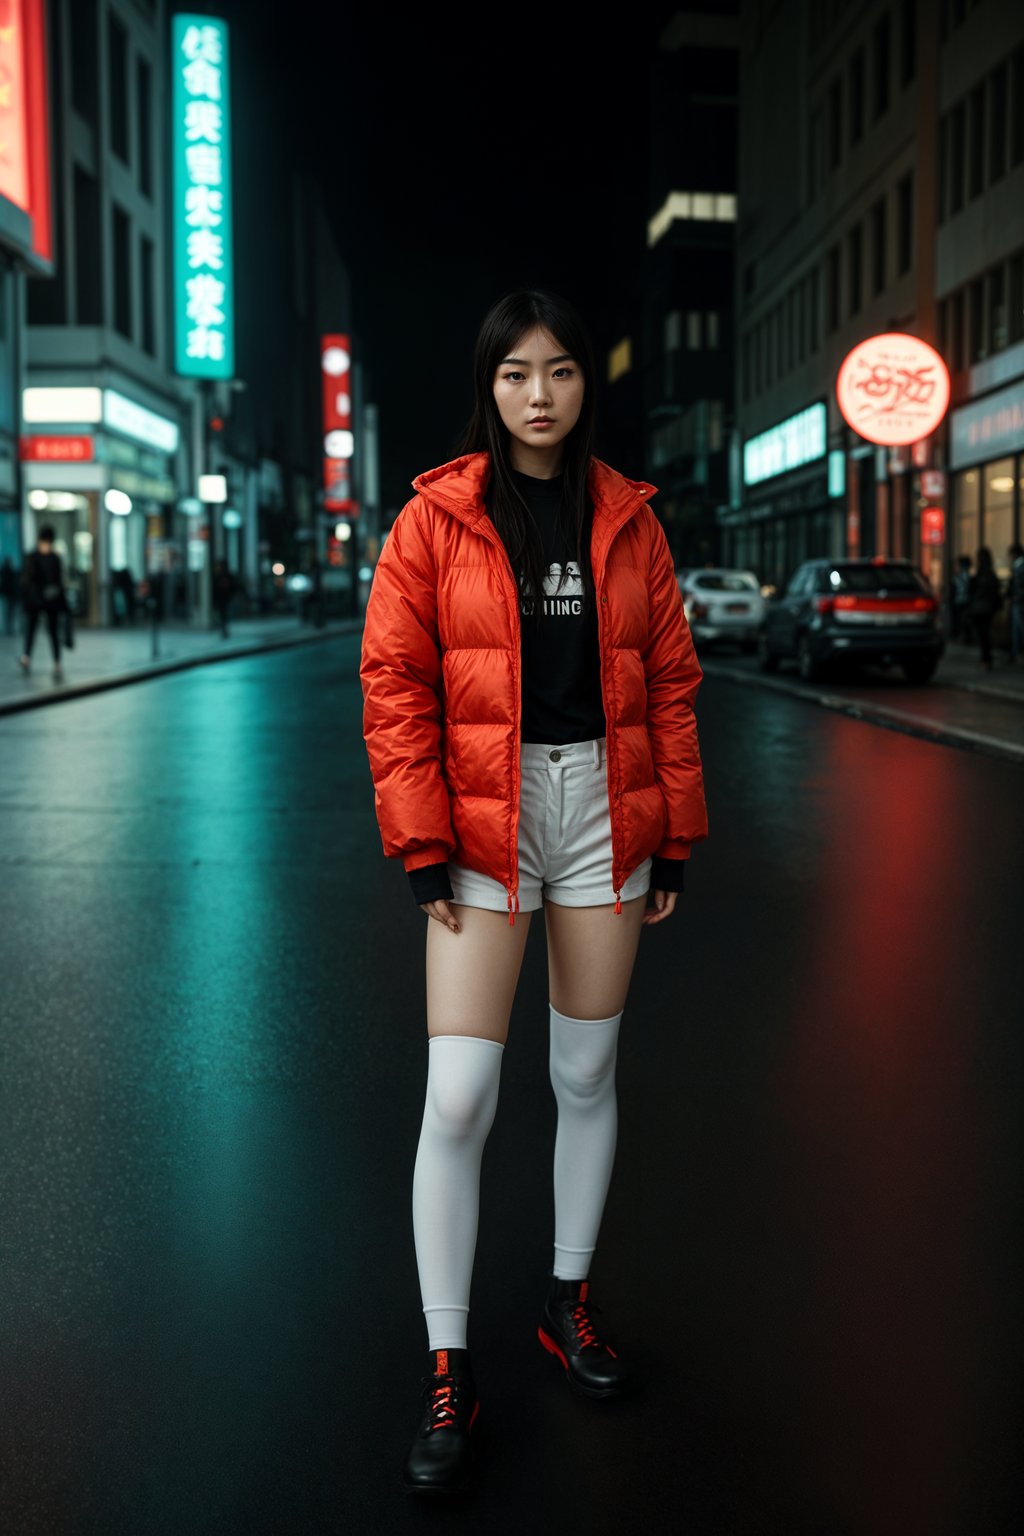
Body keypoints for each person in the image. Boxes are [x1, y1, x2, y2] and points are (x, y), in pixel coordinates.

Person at [359, 290, 708, 1495]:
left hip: (604, 808)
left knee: (584, 1073)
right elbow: (394, 681)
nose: (541, 393)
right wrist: (419, 842)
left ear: (581, 385)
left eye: (558, 371)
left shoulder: (629, 518)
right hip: (479, 814)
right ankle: (448, 1360)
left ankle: (567, 1303)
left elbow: (669, 678)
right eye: (516, 374)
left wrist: (672, 833)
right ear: (489, 386)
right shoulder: (434, 519)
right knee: (458, 1095)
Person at [18, 524, 68, 682]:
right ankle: (26, 657)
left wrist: (61, 600)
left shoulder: (55, 558)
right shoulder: (32, 558)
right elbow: (26, 580)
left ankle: (57, 661)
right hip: (35, 600)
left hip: (51, 600)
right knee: (31, 629)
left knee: (53, 631)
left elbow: (60, 581)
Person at [968, 545, 1001, 671]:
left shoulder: (980, 574)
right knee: (985, 634)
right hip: (988, 608)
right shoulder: (990, 574)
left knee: (983, 635)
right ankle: (986, 659)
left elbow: (972, 590)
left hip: (979, 608)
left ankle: (985, 659)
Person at [951, 553, 973, 642]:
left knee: (961, 621)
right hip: (965, 602)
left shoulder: (959, 576)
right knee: (964, 621)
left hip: (960, 602)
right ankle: (964, 637)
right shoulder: (967, 576)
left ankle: (961, 637)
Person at [1008, 543, 1024, 664]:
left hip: (1019, 601)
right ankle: (1016, 653)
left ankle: (1017, 653)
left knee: (1018, 628)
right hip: (1018, 600)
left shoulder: (1019, 566)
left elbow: (1018, 585)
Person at [0, 555, 19, 636]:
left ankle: (7, 628)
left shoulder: (5, 572)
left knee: (7, 613)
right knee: (9, 613)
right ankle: (8, 628)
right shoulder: (10, 572)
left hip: (8, 595)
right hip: (9, 595)